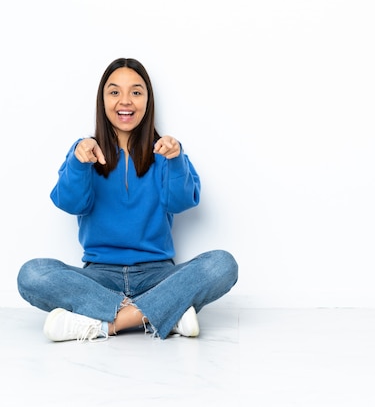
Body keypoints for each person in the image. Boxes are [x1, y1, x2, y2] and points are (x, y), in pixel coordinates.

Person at [17, 57, 238, 342]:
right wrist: (78, 162)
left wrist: (175, 160)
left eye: (136, 92)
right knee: (32, 274)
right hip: (99, 277)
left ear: (148, 101)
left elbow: (182, 202)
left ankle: (103, 324)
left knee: (222, 264)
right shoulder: (85, 152)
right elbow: (70, 203)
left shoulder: (166, 153)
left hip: (157, 275)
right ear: (103, 100)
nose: (126, 101)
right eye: (114, 92)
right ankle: (165, 313)